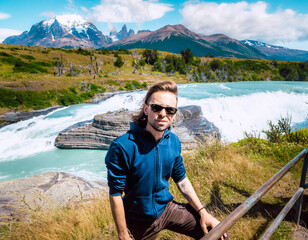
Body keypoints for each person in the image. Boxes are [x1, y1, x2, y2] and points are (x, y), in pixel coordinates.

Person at [105, 81, 228, 240]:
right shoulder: (122, 146)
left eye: (170, 110)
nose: (163, 113)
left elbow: (182, 180)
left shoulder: (173, 141)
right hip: (138, 220)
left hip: (167, 209)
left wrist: (203, 213)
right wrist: (123, 235)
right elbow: (115, 193)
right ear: (146, 109)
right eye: (157, 107)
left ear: (174, 114)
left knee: (217, 235)